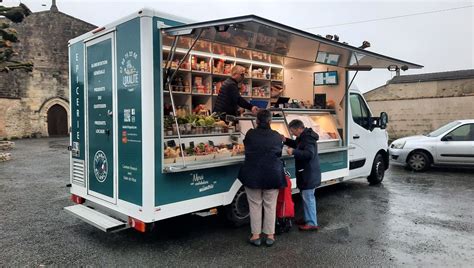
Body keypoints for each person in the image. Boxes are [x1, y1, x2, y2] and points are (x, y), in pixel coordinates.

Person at [238, 109, 286, 247]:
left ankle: (256, 236)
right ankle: (270, 236)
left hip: (252, 175)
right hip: (272, 175)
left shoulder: (251, 134)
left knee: (255, 205)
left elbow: (247, 146)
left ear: (257, 121)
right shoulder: (277, 136)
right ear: (270, 121)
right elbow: (278, 151)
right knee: (270, 205)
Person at [282, 119, 321, 231]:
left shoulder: (308, 138)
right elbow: (297, 145)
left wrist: (294, 152)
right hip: (307, 172)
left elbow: (309, 154)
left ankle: (312, 223)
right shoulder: (303, 137)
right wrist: (286, 140)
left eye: (293, 131)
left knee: (308, 197)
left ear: (299, 128)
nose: (293, 133)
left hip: (309, 173)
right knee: (306, 196)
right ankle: (308, 218)